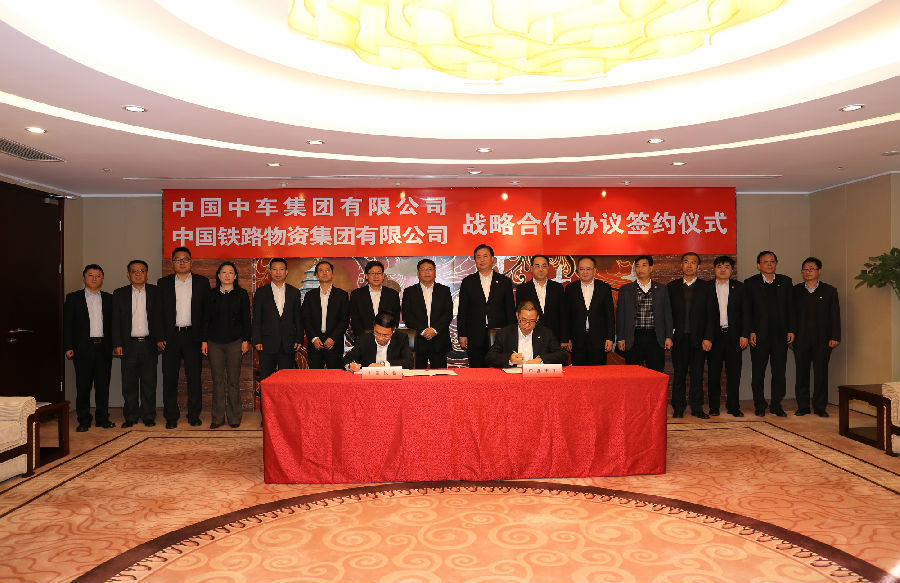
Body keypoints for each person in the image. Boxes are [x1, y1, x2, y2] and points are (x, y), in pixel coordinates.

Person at [157, 246, 210, 429]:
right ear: (172, 263)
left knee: (194, 378)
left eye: (185, 259)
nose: (182, 262)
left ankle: (194, 415)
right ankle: (171, 416)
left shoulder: (202, 282)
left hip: (193, 336)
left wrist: (204, 338)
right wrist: (159, 336)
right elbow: (158, 312)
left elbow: (206, 313)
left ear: (191, 262)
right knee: (169, 378)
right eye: (178, 259)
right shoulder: (163, 283)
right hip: (170, 337)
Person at [63, 264, 114, 432]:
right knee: (83, 386)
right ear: (84, 277)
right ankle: (84, 420)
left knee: (103, 385)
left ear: (102, 279)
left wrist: (115, 345)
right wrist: (68, 346)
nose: (94, 278)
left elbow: (113, 325)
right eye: (90, 275)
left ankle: (102, 418)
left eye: (98, 275)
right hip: (82, 348)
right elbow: (68, 324)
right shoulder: (73, 298)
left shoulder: (109, 298)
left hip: (103, 348)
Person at [744, 250, 795, 417]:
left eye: (772, 261)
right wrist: (750, 330)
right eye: (765, 262)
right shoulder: (750, 283)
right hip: (759, 335)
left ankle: (776, 404)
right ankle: (759, 405)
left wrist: (791, 329)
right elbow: (747, 310)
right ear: (758, 265)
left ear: (776, 264)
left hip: (780, 335)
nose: (769, 264)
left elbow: (791, 307)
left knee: (779, 372)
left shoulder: (785, 281)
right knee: (758, 372)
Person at [201, 261, 250, 429]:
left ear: (235, 276)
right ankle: (217, 417)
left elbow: (246, 318)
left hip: (235, 342)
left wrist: (246, 339)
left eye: (230, 272)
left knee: (233, 380)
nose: (227, 275)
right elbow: (205, 319)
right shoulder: (210, 294)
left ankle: (235, 417)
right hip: (214, 342)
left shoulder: (241, 294)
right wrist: (203, 340)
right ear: (218, 275)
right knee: (218, 380)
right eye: (224, 272)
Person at [111, 260, 161, 428]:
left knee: (149, 383)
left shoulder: (156, 292)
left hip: (149, 344)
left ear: (147, 273)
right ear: (128, 274)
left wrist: (161, 338)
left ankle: (148, 416)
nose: (138, 274)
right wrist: (117, 343)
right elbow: (115, 321)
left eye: (142, 270)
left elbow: (160, 318)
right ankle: (131, 416)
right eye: (134, 271)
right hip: (128, 345)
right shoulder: (119, 293)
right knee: (129, 384)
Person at [667, 252, 716, 418]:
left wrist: (708, 337)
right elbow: (667, 315)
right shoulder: (672, 287)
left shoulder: (707, 287)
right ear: (681, 265)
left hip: (699, 339)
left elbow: (712, 315)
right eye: (686, 262)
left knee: (697, 375)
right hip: (679, 339)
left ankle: (697, 408)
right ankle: (678, 408)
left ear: (698, 266)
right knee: (679, 374)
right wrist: (669, 335)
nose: (689, 265)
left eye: (693, 262)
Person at [792, 257, 841, 417]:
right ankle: (803, 406)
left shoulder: (829, 291)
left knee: (821, 374)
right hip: (801, 339)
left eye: (811, 269)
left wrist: (835, 336)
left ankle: (820, 407)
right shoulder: (795, 290)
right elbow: (790, 315)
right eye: (805, 269)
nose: (808, 272)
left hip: (823, 340)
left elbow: (835, 315)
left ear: (819, 271)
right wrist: (790, 334)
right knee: (801, 374)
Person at [457, 244, 516, 368]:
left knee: (498, 371)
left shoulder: (504, 281)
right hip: (474, 335)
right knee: (477, 372)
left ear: (492, 259)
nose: (482, 260)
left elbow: (510, 310)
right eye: (478, 257)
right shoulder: (468, 282)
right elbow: (462, 310)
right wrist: (462, 334)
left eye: (485, 256)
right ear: (475, 260)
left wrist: (512, 334)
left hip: (499, 335)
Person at [707, 256, 749, 417]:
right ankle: (714, 407)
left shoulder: (740, 287)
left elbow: (746, 313)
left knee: (734, 374)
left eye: (726, 266)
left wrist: (744, 334)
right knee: (713, 374)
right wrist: (706, 337)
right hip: (714, 337)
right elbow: (703, 315)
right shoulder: (707, 287)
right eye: (719, 266)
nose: (723, 269)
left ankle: (733, 407)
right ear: (714, 269)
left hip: (734, 336)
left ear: (732, 270)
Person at [616, 255, 673, 372]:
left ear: (651, 268)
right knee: (633, 374)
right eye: (637, 266)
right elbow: (621, 316)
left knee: (656, 372)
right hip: (633, 337)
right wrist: (620, 338)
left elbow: (667, 314)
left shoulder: (661, 289)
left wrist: (669, 336)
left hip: (655, 337)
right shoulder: (625, 290)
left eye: (644, 265)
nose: (640, 269)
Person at [251, 258, 303, 379]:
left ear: (286, 272)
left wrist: (299, 339)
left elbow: (298, 318)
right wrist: (257, 340)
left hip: (288, 343)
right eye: (274, 269)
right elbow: (257, 318)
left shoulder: (294, 292)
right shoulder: (261, 292)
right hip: (266, 343)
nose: (278, 272)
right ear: (270, 271)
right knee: (266, 378)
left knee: (286, 380)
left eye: (281, 269)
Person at [561, 256, 615, 365]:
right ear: (577, 271)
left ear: (594, 270)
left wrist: (610, 338)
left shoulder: (604, 288)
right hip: (577, 340)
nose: (585, 272)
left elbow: (609, 315)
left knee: (598, 372)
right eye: (582, 269)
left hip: (599, 340)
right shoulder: (571, 288)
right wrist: (567, 338)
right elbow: (566, 316)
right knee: (579, 372)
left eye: (588, 269)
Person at [401, 258, 453, 369]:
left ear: (435, 272)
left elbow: (448, 313)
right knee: (418, 375)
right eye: (423, 269)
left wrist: (434, 330)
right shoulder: (409, 292)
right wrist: (423, 330)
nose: (427, 272)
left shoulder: (444, 290)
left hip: (439, 340)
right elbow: (407, 315)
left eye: (430, 269)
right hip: (418, 341)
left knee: (440, 375)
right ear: (418, 273)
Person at [485, 300, 566, 367]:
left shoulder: (546, 333)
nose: (527, 325)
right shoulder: (505, 333)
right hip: (513, 377)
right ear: (517, 316)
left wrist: (541, 360)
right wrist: (510, 359)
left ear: (537, 318)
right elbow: (490, 357)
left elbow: (562, 356)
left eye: (532, 321)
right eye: (523, 320)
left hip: (537, 377)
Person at [301, 260, 350, 369]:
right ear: (317, 275)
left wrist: (333, 338)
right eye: (321, 271)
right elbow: (306, 319)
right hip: (315, 344)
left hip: (334, 344)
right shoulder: (310, 296)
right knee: (315, 376)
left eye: (327, 270)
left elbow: (344, 320)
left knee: (335, 376)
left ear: (332, 273)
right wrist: (314, 338)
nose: (324, 273)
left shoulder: (341, 295)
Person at [515, 255, 566, 344]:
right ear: (531, 268)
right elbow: (520, 315)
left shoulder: (557, 288)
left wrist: (564, 339)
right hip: (530, 336)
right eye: (537, 266)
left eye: (544, 266)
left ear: (548, 268)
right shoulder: (522, 289)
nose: (541, 269)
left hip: (554, 336)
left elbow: (563, 314)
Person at [344, 311, 413, 371]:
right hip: (369, 379)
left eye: (385, 335)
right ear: (374, 327)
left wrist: (384, 364)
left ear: (393, 330)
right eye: (377, 333)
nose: (380, 338)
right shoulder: (363, 339)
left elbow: (409, 362)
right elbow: (347, 359)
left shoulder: (401, 339)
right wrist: (350, 366)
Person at [349, 260, 401, 338]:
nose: (376, 276)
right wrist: (364, 338)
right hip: (363, 338)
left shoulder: (393, 294)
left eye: (379, 273)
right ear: (366, 276)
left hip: (387, 338)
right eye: (372, 273)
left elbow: (395, 318)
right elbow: (355, 320)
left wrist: (387, 336)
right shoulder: (356, 295)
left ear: (383, 276)